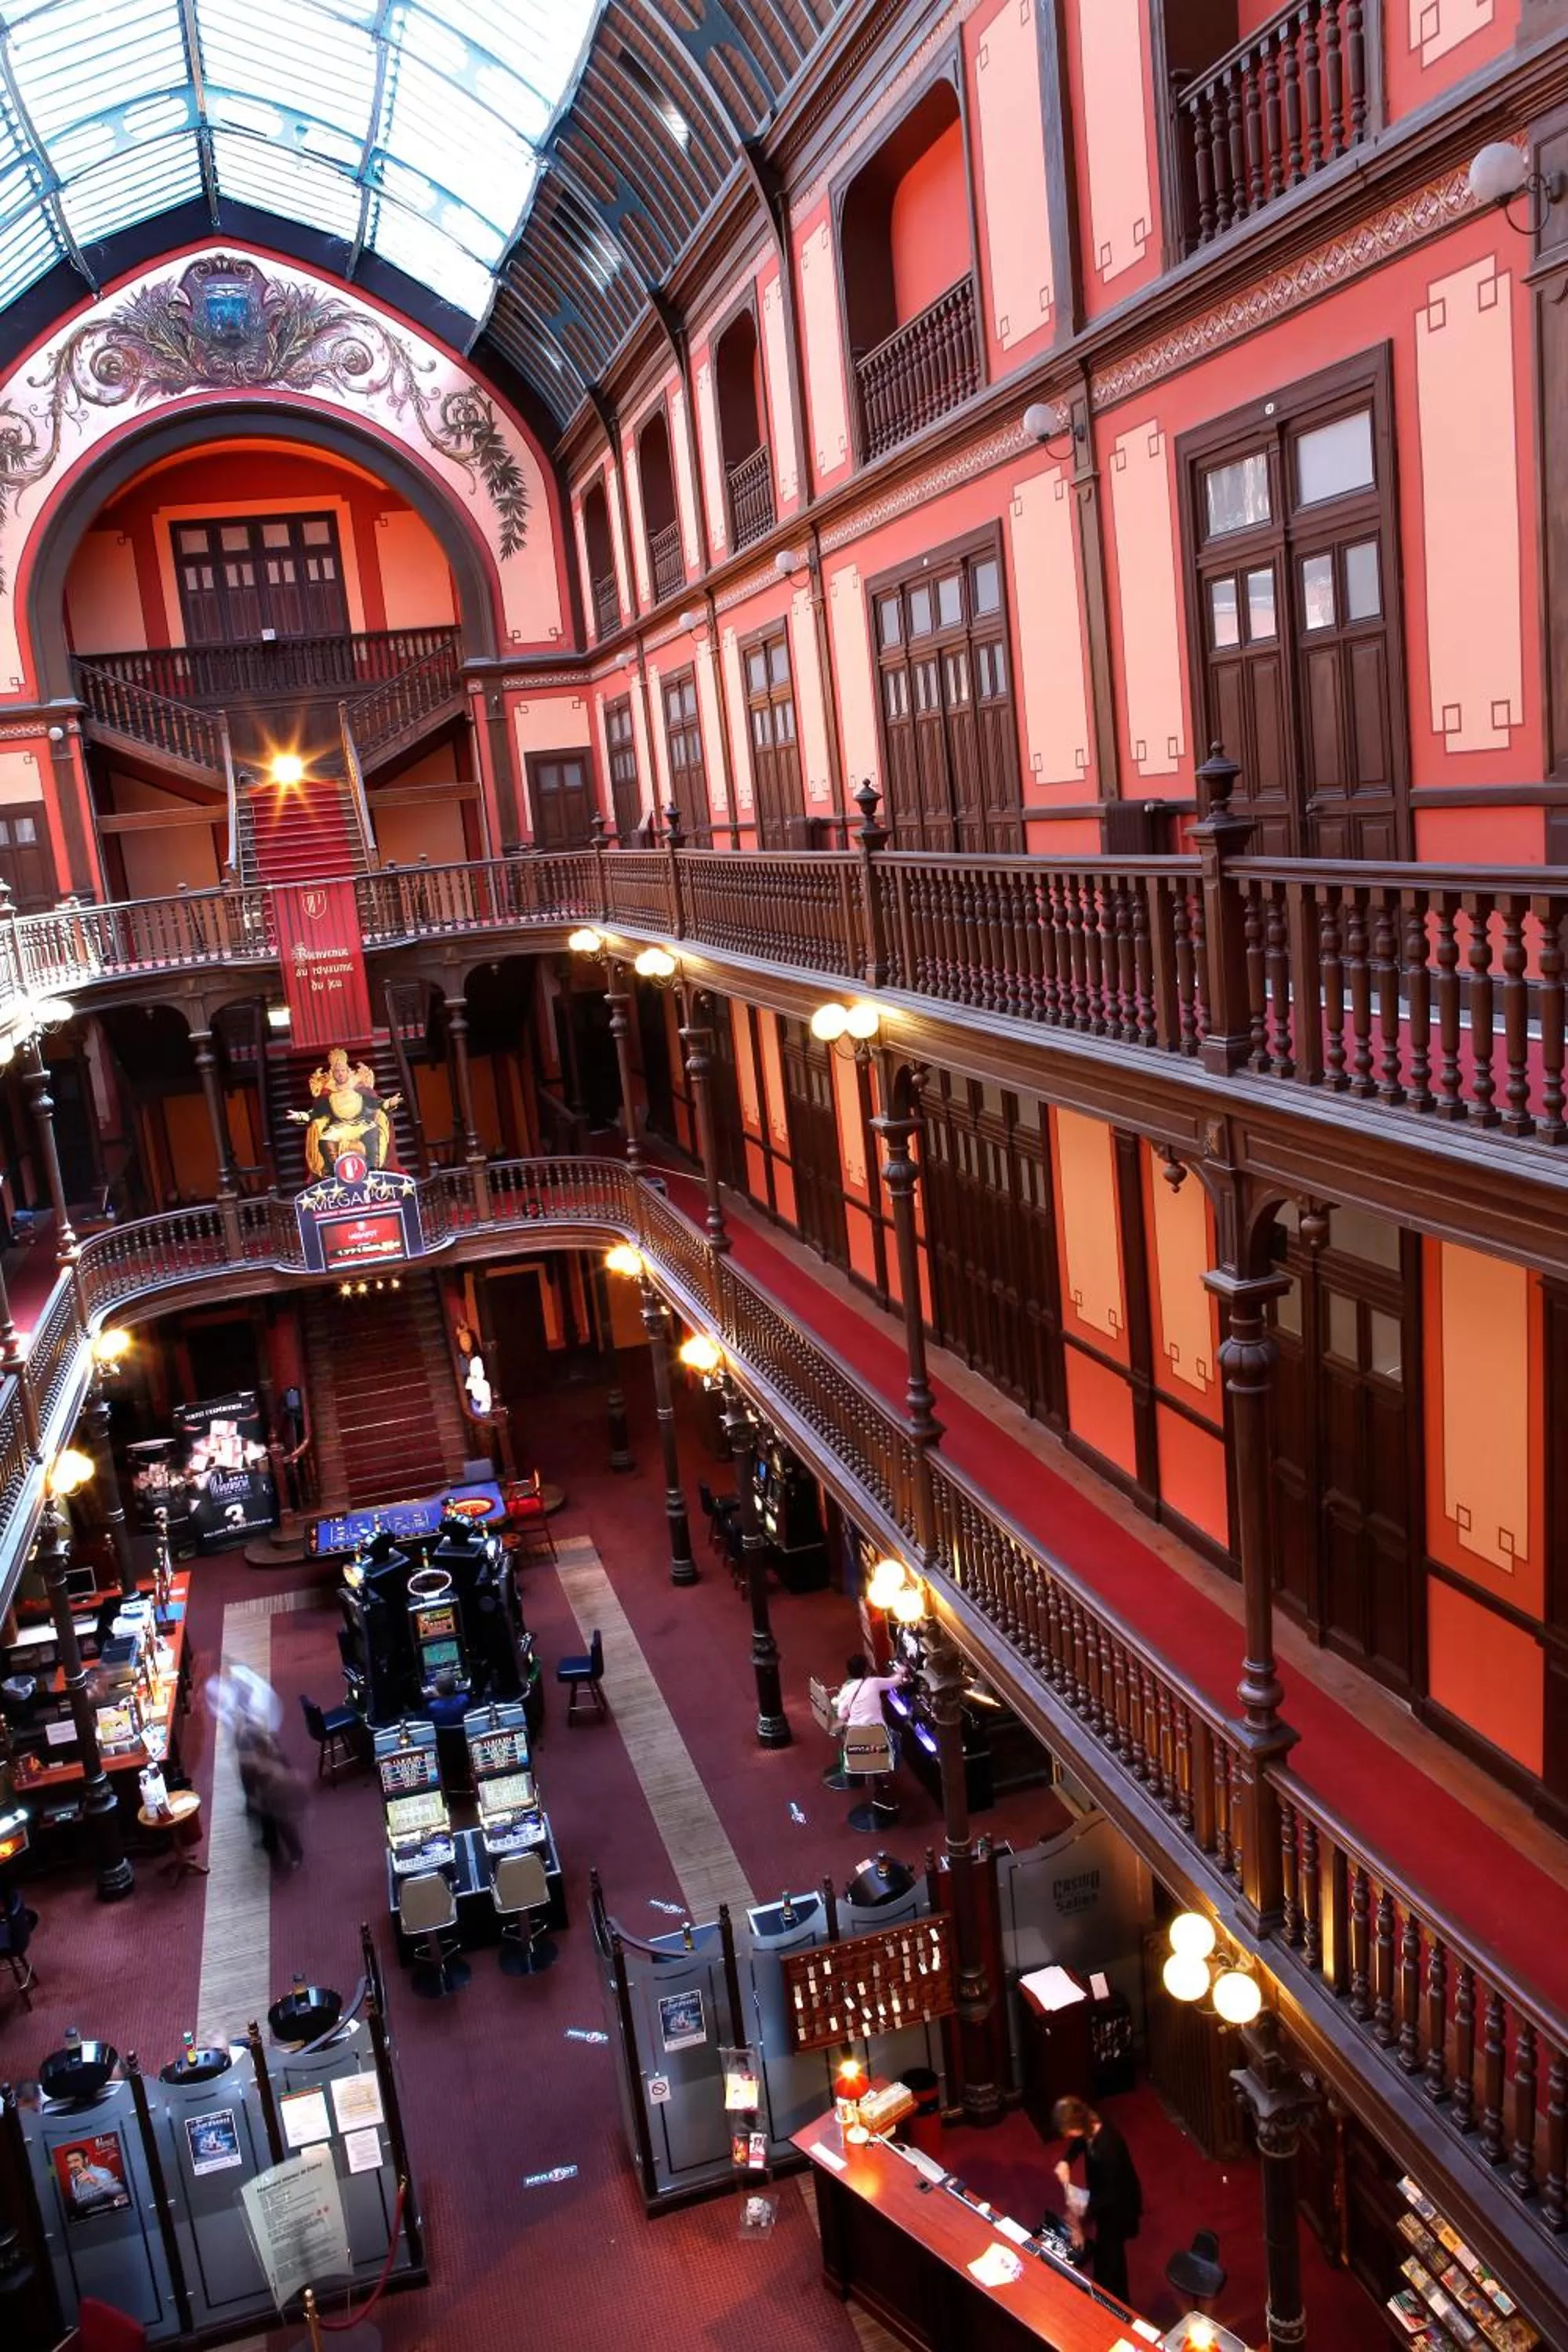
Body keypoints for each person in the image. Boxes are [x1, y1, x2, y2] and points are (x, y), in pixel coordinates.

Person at [1049, 2096, 1142, 2304]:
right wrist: (1066, 2161)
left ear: (1076, 2124)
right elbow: (1079, 2142)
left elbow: (1110, 2195)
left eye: (1067, 2131)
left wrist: (1078, 2216)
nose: (1066, 2136)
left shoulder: (1107, 2146)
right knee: (1106, 2252)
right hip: (1104, 2196)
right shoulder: (1090, 2122)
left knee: (1111, 2258)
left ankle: (1117, 2304)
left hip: (1118, 2206)